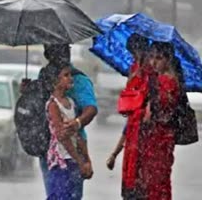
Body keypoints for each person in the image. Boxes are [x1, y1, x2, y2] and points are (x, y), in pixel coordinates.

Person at [120, 41, 180, 200]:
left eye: (158, 58)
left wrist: (144, 107)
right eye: (151, 57)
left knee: (155, 186)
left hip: (158, 143)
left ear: (168, 60)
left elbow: (154, 113)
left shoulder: (167, 82)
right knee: (146, 185)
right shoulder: (152, 79)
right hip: (147, 142)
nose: (153, 62)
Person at [38, 44, 98, 198]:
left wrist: (84, 159)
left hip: (72, 154)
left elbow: (90, 110)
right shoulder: (45, 80)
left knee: (69, 195)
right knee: (59, 193)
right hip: (54, 154)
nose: (69, 78)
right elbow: (61, 134)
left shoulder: (79, 82)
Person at [106, 34, 150, 171]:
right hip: (134, 118)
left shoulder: (150, 70)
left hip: (144, 122)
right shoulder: (134, 67)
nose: (134, 56)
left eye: (135, 52)